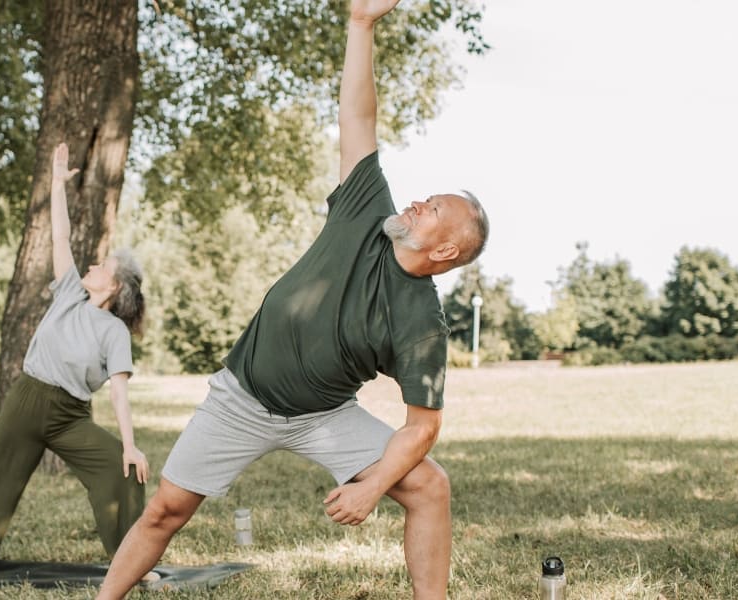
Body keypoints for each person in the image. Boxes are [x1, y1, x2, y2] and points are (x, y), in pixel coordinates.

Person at [95, 0, 489, 597]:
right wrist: (360, 24)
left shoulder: (421, 322)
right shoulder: (365, 211)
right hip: (242, 396)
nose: (415, 203)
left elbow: (422, 428)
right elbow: (358, 117)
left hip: (322, 417)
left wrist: (373, 484)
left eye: (432, 210)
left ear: (444, 253)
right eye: (425, 197)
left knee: (430, 486)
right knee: (166, 512)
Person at [0, 141, 150, 581]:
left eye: (101, 265)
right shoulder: (69, 292)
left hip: (70, 416)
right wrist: (56, 184)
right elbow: (61, 235)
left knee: (121, 469)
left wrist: (129, 444)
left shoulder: (114, 332)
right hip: (27, 401)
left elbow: (120, 393)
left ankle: (133, 567)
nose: (91, 264)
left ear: (114, 287)